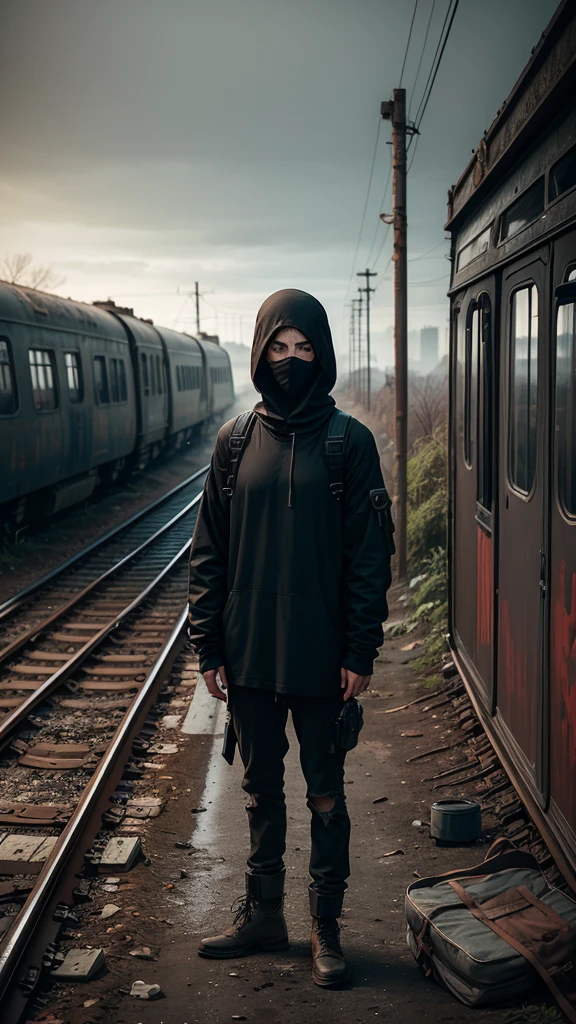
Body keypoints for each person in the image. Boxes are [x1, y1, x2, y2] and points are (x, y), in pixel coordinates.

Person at [188, 288, 392, 987]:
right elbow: (208, 549)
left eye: (304, 348)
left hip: (323, 658)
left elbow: (370, 558)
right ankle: (264, 914)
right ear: (260, 351)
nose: (292, 360)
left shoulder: (349, 443)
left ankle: (325, 928)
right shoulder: (236, 441)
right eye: (279, 347)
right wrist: (207, 645)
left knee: (327, 795)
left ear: (323, 352)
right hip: (248, 654)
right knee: (258, 790)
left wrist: (361, 650)